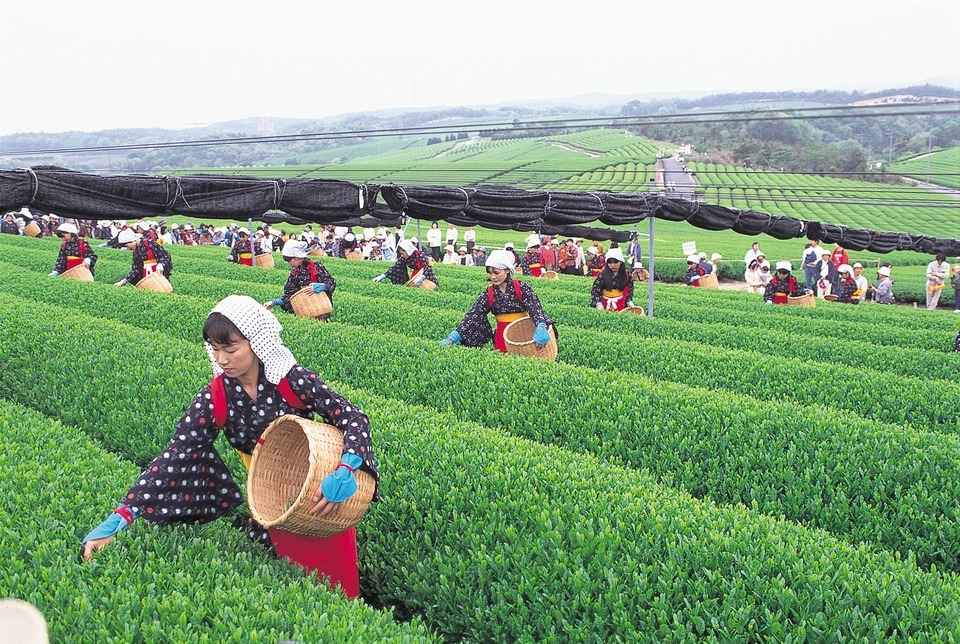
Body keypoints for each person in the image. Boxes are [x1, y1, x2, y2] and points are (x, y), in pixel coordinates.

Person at [80, 295, 380, 598]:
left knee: (339, 593)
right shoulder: (216, 397)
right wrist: (124, 515)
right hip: (270, 502)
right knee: (293, 592)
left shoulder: (290, 380)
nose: (222, 359)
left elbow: (352, 417)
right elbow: (178, 454)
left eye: (231, 348)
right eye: (215, 349)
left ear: (256, 342)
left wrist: (347, 466)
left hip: (321, 493)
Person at [438, 249, 556, 353]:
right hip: (502, 337)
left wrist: (540, 326)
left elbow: (535, 308)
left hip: (524, 333)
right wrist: (455, 336)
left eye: (496, 272)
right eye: (490, 273)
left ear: (507, 271)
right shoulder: (489, 292)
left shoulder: (521, 287)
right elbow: (475, 314)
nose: (493, 277)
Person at [263, 240, 337, 314]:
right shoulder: (295, 272)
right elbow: (290, 293)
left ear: (296, 257)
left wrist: (322, 286)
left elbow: (331, 282)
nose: (288, 264)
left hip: (320, 305)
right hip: (306, 308)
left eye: (289, 260)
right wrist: (274, 302)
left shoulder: (315, 266)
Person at [373, 239, 438, 286]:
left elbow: (428, 267)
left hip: (425, 276)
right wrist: (381, 277)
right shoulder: (404, 258)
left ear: (408, 251)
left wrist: (421, 278)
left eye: (403, 253)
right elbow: (395, 267)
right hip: (415, 276)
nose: (402, 255)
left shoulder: (420, 255)